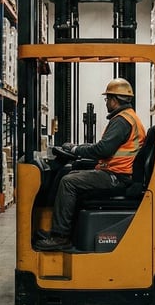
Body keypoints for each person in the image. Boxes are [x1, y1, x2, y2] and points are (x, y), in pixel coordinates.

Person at [35, 78, 146, 250]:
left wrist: (76, 150)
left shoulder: (122, 121)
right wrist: (76, 148)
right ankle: (63, 231)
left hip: (117, 176)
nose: (107, 102)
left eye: (107, 99)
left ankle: (60, 237)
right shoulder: (127, 118)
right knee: (71, 174)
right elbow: (103, 148)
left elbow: (102, 150)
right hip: (117, 173)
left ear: (114, 100)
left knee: (68, 182)